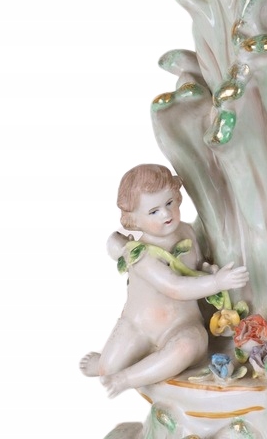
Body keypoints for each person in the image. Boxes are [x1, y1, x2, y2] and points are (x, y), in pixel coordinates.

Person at [80, 164, 248, 398]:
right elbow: (175, 287)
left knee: (189, 346)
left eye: (169, 203)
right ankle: (109, 366)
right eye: (154, 211)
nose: (166, 214)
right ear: (134, 220)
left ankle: (128, 377)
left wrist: (205, 270)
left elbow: (194, 266)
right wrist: (217, 283)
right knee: (106, 369)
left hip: (182, 324)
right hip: (138, 326)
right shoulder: (140, 252)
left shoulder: (187, 232)